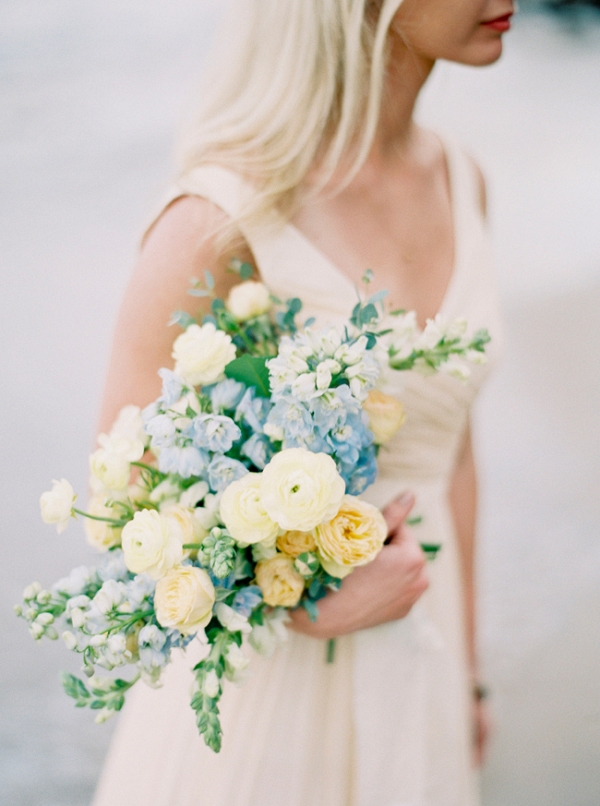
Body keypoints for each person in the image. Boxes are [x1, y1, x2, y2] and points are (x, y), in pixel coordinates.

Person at [92, 1, 510, 804]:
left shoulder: (464, 180)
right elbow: (125, 504)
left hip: (420, 659)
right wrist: (304, 607)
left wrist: (469, 672)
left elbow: (454, 454)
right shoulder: (221, 215)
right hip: (265, 700)